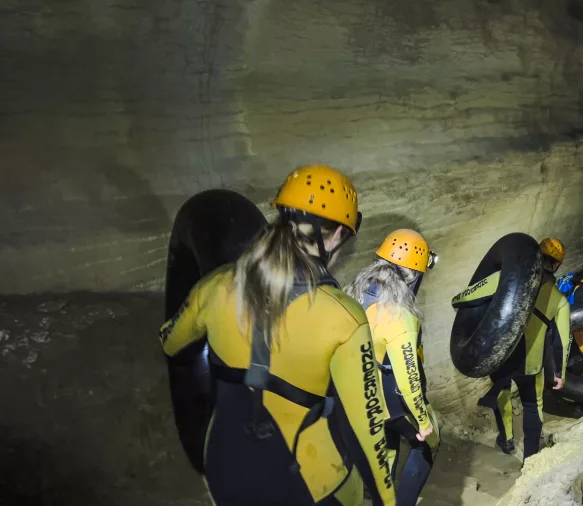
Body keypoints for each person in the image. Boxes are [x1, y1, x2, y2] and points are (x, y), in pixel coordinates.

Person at [158, 164, 396, 506]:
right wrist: (387, 501)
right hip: (307, 485)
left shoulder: (215, 286)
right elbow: (368, 432)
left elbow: (170, 343)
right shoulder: (344, 317)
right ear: (335, 236)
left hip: (225, 470)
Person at [345, 229, 440, 506]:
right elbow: (409, 379)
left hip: (364, 395)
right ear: (414, 275)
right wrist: (423, 422)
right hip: (392, 400)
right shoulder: (400, 316)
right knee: (428, 445)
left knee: (386, 446)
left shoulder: (357, 292)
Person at [457, 237, 571, 461]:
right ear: (557, 265)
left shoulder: (505, 279)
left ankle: (507, 440)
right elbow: (563, 341)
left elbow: (464, 298)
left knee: (503, 395)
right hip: (531, 364)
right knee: (533, 405)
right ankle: (530, 459)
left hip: (502, 357)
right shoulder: (560, 300)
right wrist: (560, 373)